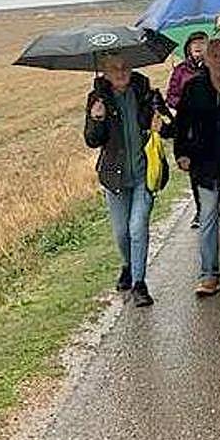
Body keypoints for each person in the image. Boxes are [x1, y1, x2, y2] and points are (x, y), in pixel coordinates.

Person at [84, 53, 171, 308]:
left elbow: (170, 126)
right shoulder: (97, 99)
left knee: (137, 227)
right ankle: (127, 265)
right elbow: (92, 140)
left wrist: (162, 125)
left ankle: (139, 283)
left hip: (145, 174)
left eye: (125, 67)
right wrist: (96, 118)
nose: (121, 72)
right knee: (122, 233)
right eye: (114, 69)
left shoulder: (146, 94)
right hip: (115, 177)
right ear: (105, 72)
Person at [174, 37, 220, 296]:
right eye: (215, 55)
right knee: (207, 217)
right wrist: (182, 152)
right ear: (205, 59)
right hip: (204, 162)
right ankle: (209, 274)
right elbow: (182, 123)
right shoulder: (193, 87)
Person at [167, 31, 209, 230]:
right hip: (189, 127)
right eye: (195, 43)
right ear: (189, 48)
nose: (198, 46)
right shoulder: (180, 71)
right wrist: (187, 103)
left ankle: (211, 207)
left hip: (211, 125)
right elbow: (171, 96)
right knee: (195, 170)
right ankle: (201, 209)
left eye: (202, 43)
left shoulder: (213, 67)